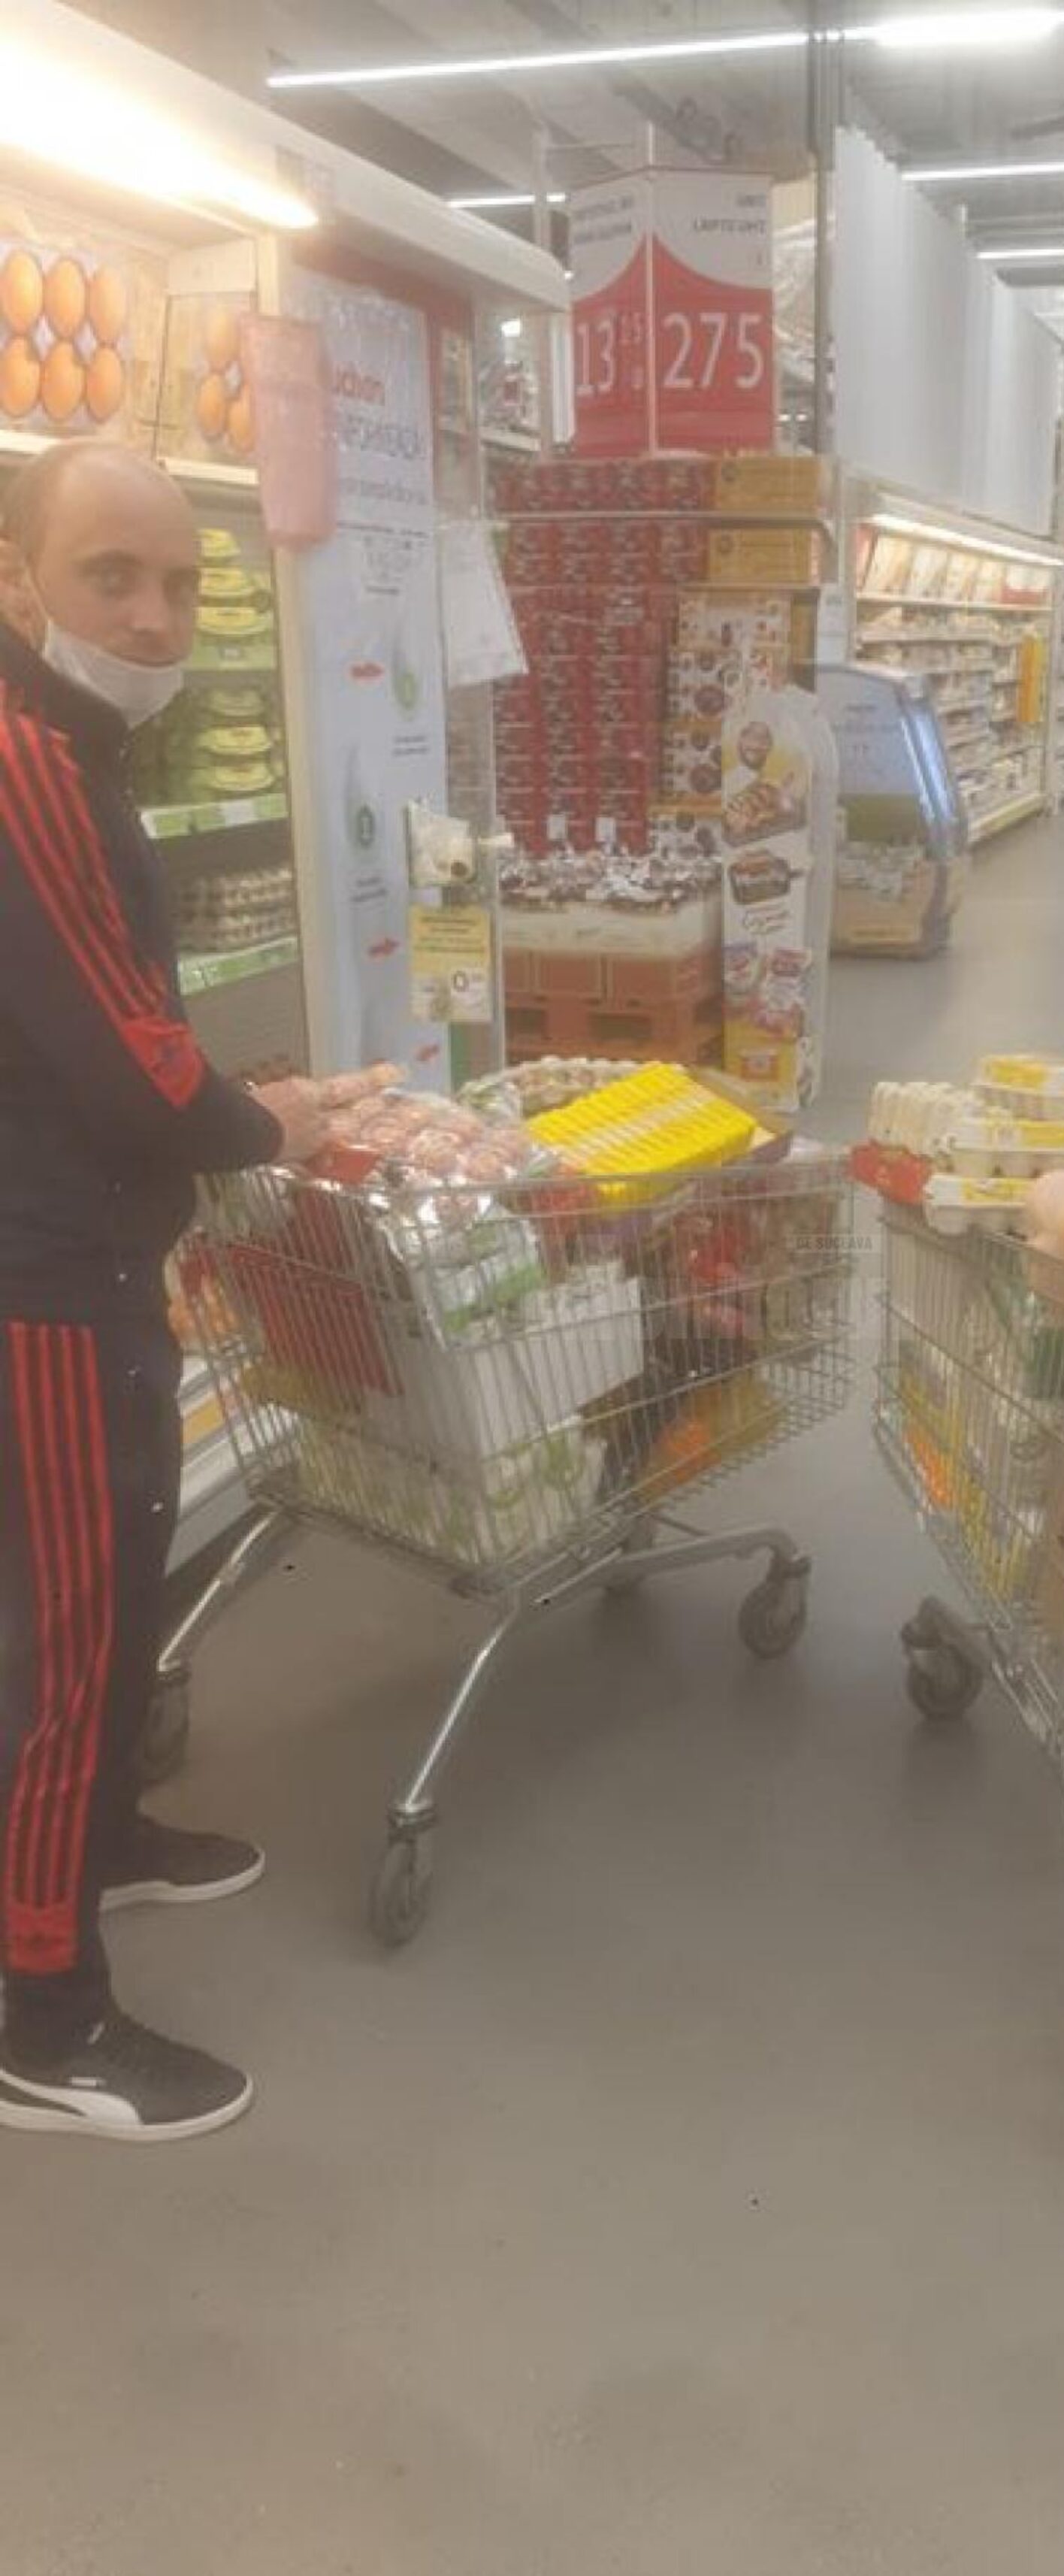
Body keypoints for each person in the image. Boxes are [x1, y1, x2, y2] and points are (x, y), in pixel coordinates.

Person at [0, 439, 326, 2143]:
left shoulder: (78, 746)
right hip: (45, 1277)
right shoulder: (29, 763)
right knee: (66, 1637)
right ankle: (42, 2017)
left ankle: (102, 1840)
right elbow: (128, 1060)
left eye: (184, 583)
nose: (152, 615)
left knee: (117, 1594)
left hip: (85, 1241)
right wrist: (268, 1122)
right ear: (18, 581)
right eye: (109, 575)